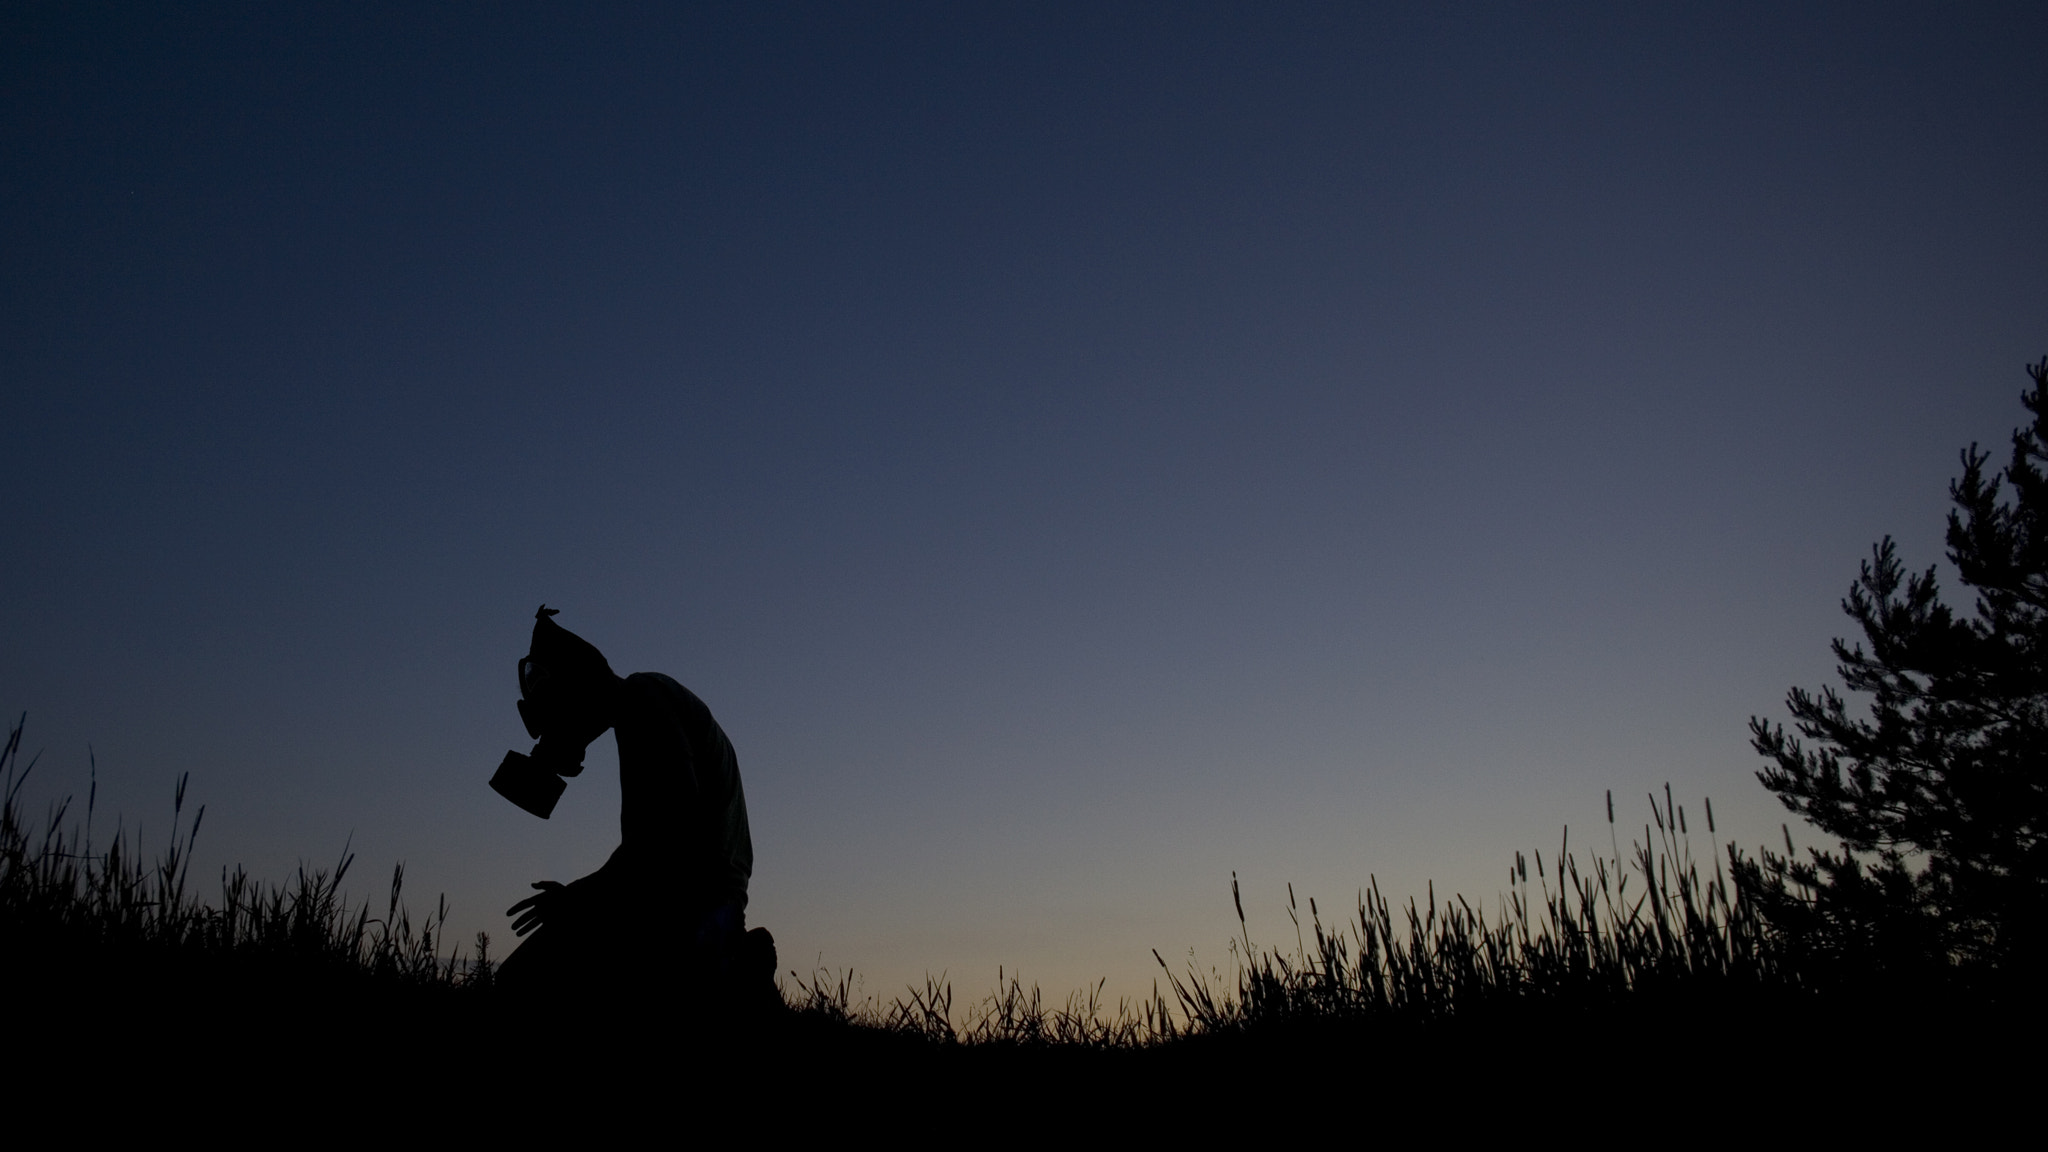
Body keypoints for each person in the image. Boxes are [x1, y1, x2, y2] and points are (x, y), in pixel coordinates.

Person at [494, 606, 773, 1013]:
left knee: (520, 985)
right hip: (693, 901)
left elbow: (664, 844)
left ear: (578, 690)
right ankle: (731, 967)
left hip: (690, 910)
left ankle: (732, 969)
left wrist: (578, 902)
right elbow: (653, 848)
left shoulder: (645, 701)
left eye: (559, 718)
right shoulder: (643, 707)